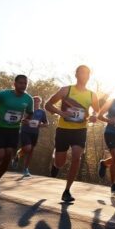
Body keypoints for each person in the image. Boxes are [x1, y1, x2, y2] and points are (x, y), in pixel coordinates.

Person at [45, 65, 100, 203]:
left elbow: (96, 111)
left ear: (89, 76)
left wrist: (94, 116)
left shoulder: (92, 95)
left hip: (80, 130)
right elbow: (48, 105)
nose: (84, 76)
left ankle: (67, 190)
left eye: (87, 73)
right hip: (63, 129)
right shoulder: (65, 90)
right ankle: (55, 160)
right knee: (60, 163)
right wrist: (60, 112)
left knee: (77, 157)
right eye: (81, 73)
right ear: (76, 75)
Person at [0, 75, 34, 194]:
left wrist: (27, 119)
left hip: (14, 130)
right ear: (14, 84)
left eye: (25, 83)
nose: (23, 85)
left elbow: (30, 113)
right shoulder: (3, 94)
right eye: (21, 83)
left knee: (7, 157)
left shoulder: (28, 99)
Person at [15, 96, 48, 177]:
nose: (36, 102)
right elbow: (20, 119)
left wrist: (40, 125)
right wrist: (27, 121)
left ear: (40, 102)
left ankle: (25, 169)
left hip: (35, 133)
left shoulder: (42, 112)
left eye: (38, 101)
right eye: (34, 101)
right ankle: (18, 155)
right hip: (25, 131)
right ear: (32, 102)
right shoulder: (27, 110)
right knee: (27, 148)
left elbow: (47, 123)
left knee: (30, 151)